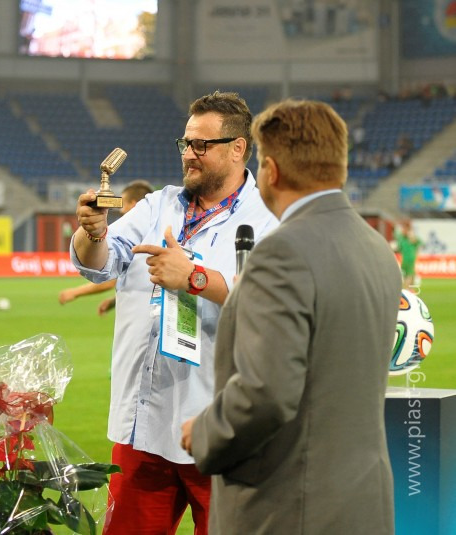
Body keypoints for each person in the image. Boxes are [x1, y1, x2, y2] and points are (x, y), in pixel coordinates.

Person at [181, 100, 401, 534]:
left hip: (290, 506)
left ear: (272, 171)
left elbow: (267, 393)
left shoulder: (282, 253)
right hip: (362, 503)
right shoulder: (376, 247)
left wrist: (204, 432)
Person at [71, 91, 278, 534]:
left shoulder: (267, 219)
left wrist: (195, 278)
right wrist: (93, 232)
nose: (189, 154)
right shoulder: (157, 204)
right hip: (143, 424)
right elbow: (99, 263)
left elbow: (271, 303)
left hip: (221, 427)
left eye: (201, 145)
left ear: (237, 148)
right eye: (185, 143)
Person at [59, 180, 154, 316]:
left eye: (124, 203)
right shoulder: (155, 232)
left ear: (133, 204)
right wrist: (113, 302)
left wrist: (75, 292)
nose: (121, 210)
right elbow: (140, 280)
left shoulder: (139, 238)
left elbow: (111, 278)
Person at [394, 219, 422, 291]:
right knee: (408, 274)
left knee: (409, 274)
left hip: (410, 258)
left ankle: (408, 289)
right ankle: (409, 289)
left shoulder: (411, 238)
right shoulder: (402, 238)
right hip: (404, 259)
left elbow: (419, 243)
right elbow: (399, 248)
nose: (403, 230)